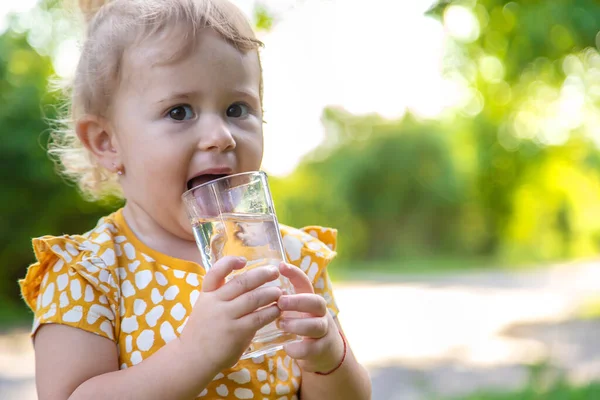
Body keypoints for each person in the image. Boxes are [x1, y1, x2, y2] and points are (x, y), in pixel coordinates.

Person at [18, 0, 372, 399]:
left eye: (237, 108)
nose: (221, 135)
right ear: (107, 143)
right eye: (180, 111)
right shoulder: (89, 274)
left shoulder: (291, 259)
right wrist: (195, 353)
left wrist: (327, 359)